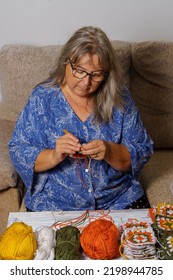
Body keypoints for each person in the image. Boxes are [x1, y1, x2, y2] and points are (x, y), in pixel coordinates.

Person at [9, 26, 153, 212]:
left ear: (107, 73)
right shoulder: (42, 98)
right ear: (65, 63)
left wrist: (109, 151)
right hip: (54, 204)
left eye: (96, 74)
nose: (86, 83)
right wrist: (54, 155)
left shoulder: (121, 99)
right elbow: (18, 151)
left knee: (148, 240)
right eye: (79, 71)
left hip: (118, 199)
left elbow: (142, 150)